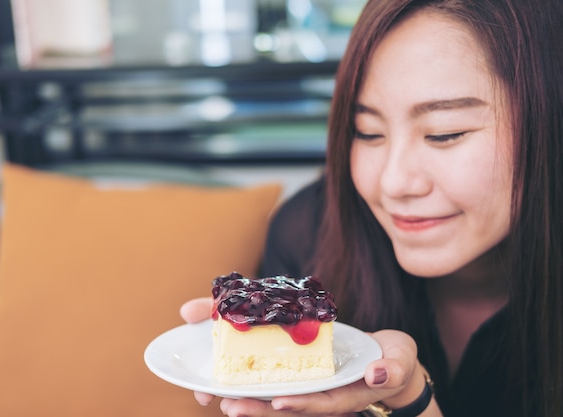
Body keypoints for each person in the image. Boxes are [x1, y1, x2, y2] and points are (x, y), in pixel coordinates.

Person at [181, 0, 563, 416]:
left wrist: (409, 402)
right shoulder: (309, 231)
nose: (393, 182)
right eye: (368, 132)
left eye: (444, 133)